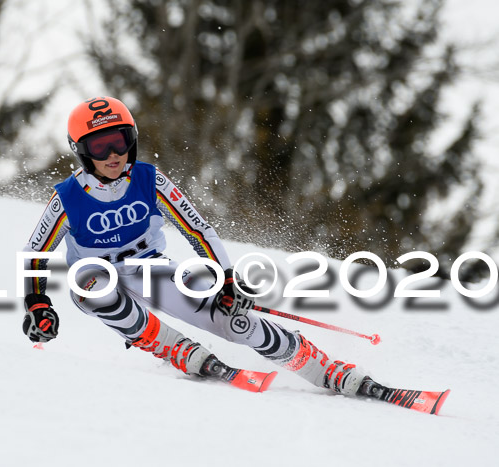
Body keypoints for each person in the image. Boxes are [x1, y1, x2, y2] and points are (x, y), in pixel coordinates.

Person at [21, 96, 376, 397]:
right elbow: (35, 254)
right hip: (95, 276)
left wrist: (225, 278)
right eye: (100, 146)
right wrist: (37, 303)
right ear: (81, 151)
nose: (114, 153)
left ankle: (323, 368)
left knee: (233, 320)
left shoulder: (149, 179)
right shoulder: (66, 198)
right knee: (96, 289)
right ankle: (175, 348)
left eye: (121, 140)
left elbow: (197, 229)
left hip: (148, 267)